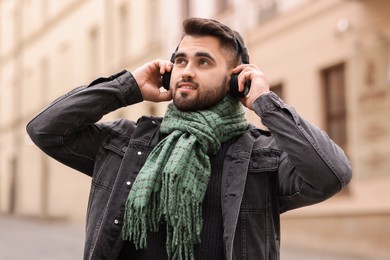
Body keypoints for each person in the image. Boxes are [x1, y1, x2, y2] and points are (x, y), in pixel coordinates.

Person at [26, 17, 352, 260]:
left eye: (203, 62)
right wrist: (127, 87)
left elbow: (331, 174)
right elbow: (46, 129)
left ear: (236, 79)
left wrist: (266, 102)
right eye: (180, 60)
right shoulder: (125, 142)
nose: (186, 71)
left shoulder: (260, 155)